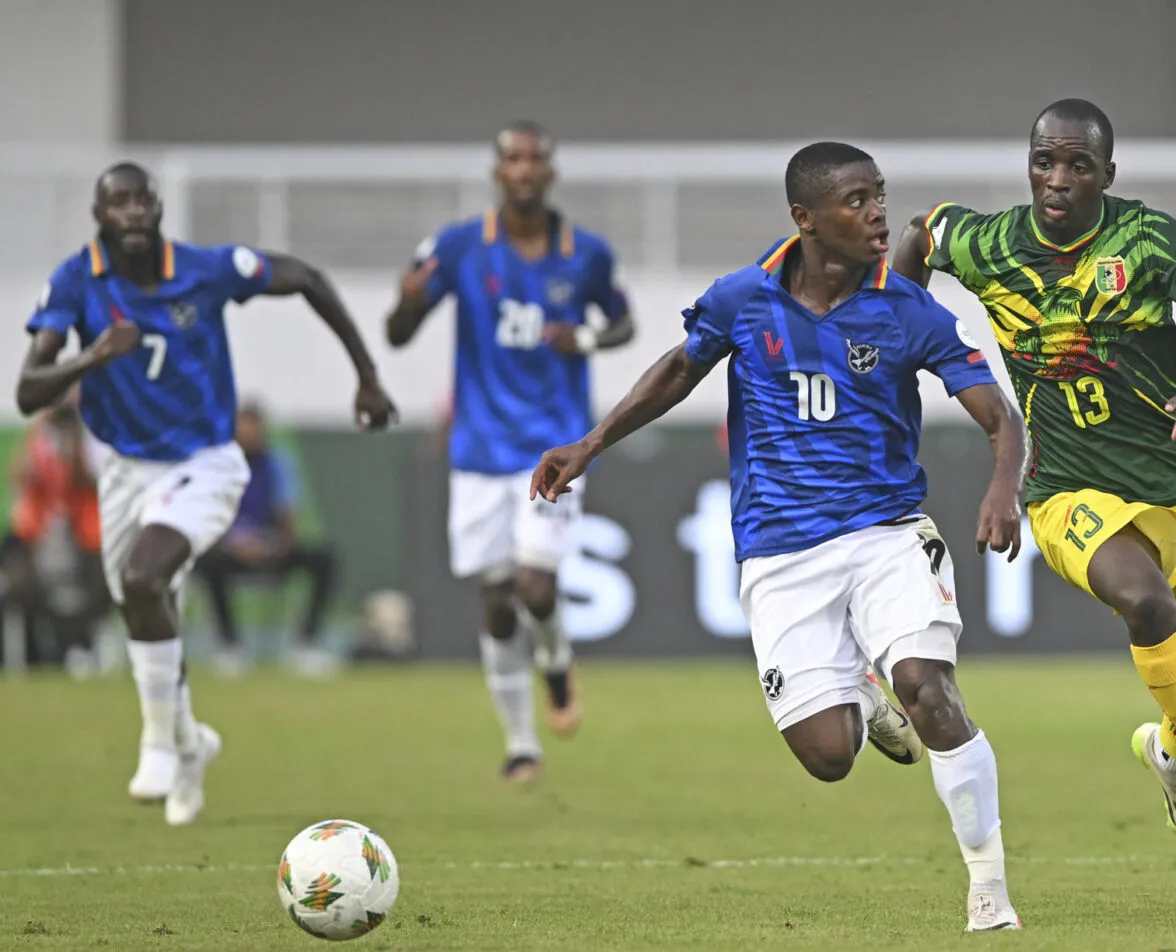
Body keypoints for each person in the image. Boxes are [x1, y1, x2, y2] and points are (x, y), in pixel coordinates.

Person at [532, 142, 1028, 932]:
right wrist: (590, 443)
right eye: (857, 201)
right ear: (806, 219)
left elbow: (1000, 415)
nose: (878, 214)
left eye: (881, 196)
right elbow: (677, 368)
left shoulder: (906, 308)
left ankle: (989, 890)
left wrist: (1005, 488)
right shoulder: (742, 298)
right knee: (829, 757)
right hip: (779, 551)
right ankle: (864, 694)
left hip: (886, 532)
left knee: (930, 691)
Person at [891, 99, 1176, 885]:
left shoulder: (1146, 239)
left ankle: (1169, 751)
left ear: (1106, 175)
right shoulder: (992, 242)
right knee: (1146, 601)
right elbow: (921, 231)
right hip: (1066, 489)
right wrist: (899, 328)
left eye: (1078, 165)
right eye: (1045, 161)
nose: (1057, 179)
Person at [15, 162, 397, 826]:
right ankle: (193, 743)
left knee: (143, 578)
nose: (132, 212)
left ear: (158, 209)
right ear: (99, 216)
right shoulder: (78, 281)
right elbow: (29, 390)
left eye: (142, 200)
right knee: (143, 607)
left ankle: (160, 741)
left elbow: (305, 277)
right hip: (124, 470)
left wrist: (366, 376)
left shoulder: (207, 268)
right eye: (118, 202)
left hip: (205, 461)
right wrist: (94, 356)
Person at [385, 120, 635, 783]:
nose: (524, 169)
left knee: (536, 583)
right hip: (476, 452)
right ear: (498, 172)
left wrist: (581, 339)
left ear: (550, 171)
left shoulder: (586, 253)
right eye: (513, 159)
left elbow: (624, 321)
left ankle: (555, 667)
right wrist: (406, 305)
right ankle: (521, 742)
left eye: (535, 159)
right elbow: (399, 332)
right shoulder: (461, 247)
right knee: (497, 600)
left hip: (552, 447)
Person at [193, 401, 339, 678]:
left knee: (324, 559)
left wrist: (273, 546)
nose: (249, 433)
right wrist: (234, 545)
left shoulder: (276, 462)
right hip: (229, 552)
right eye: (242, 426)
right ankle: (230, 648)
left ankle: (306, 645)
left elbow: (288, 514)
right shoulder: (218, 466)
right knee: (207, 567)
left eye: (254, 426)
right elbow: (209, 516)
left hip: (270, 550)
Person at [0, 389, 109, 674]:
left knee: (95, 590)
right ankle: (39, 657)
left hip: (85, 536)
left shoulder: (95, 436)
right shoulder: (39, 438)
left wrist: (75, 440)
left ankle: (79, 647)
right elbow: (18, 475)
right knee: (21, 586)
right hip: (38, 534)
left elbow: (89, 480)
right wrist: (41, 424)